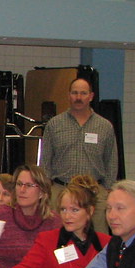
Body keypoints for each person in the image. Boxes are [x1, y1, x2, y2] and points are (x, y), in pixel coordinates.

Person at [0, 175, 110, 268]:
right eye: (63, 209)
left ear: (90, 211)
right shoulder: (47, 239)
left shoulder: (106, 243)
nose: (67, 216)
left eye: (74, 210)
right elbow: (27, 267)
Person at [40, 78, 118, 232]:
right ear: (69, 95)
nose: (78, 97)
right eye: (75, 93)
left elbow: (111, 160)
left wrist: (108, 189)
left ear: (91, 96)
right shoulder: (55, 124)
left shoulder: (105, 126)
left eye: (83, 93)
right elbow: (45, 160)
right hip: (60, 190)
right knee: (57, 235)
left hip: (95, 192)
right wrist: (46, 189)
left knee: (98, 238)